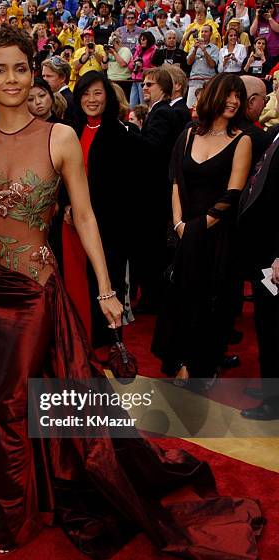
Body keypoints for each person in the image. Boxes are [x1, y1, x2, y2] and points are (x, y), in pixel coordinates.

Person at [0, 27, 264, 560]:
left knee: (12, 403)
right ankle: (16, 487)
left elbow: (85, 216)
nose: (11, 79)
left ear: (34, 73)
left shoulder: (59, 138)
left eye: (20, 68)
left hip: (32, 293)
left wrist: (107, 289)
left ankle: (15, 513)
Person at [152, 73, 252, 381]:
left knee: (210, 303)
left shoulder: (242, 140)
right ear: (213, 96)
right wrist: (180, 224)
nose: (234, 101)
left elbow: (232, 195)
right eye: (228, 94)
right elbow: (174, 181)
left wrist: (197, 227)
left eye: (239, 96)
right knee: (180, 296)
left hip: (217, 235)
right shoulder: (189, 133)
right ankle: (180, 360)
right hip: (186, 231)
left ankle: (201, 365)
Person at [61, 70, 131, 351]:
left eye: (98, 93)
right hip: (70, 221)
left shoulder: (119, 134)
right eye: (86, 93)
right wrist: (68, 204)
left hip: (107, 224)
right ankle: (77, 340)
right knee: (76, 280)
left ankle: (108, 344)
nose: (91, 99)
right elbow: (61, 174)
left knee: (106, 281)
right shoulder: (68, 130)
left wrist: (86, 211)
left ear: (108, 97)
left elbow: (121, 186)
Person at [128, 68, 180, 313]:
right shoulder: (162, 112)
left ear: (164, 88)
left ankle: (153, 299)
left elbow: (152, 149)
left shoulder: (161, 114)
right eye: (145, 84)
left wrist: (131, 132)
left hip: (154, 192)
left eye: (149, 85)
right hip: (160, 191)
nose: (145, 88)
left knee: (151, 248)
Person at [239, 124, 279, 420]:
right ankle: (270, 388)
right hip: (262, 250)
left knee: (274, 326)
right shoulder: (275, 133)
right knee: (266, 325)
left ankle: (274, 402)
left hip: (275, 256)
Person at [186, 24, 219, 108]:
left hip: (208, 83)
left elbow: (212, 64)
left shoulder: (214, 48)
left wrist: (204, 51)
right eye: (202, 31)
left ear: (211, 34)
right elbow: (188, 63)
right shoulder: (194, 47)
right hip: (194, 82)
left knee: (207, 108)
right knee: (190, 108)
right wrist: (195, 50)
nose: (203, 33)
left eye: (206, 31)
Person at [41, 55, 76, 123]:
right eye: (43, 76)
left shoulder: (69, 101)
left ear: (62, 77)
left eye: (49, 76)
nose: (45, 80)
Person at [128, 30, 156, 108]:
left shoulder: (154, 51)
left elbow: (154, 68)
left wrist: (142, 68)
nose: (141, 41)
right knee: (132, 104)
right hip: (135, 80)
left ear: (149, 40)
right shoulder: (137, 50)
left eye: (144, 39)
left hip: (144, 81)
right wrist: (134, 64)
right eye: (140, 39)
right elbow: (130, 65)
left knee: (143, 104)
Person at [105, 32, 133, 101]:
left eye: (112, 43)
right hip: (111, 80)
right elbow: (104, 67)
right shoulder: (109, 52)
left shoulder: (125, 50)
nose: (111, 45)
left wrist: (114, 53)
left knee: (123, 101)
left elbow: (123, 64)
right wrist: (106, 54)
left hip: (123, 80)